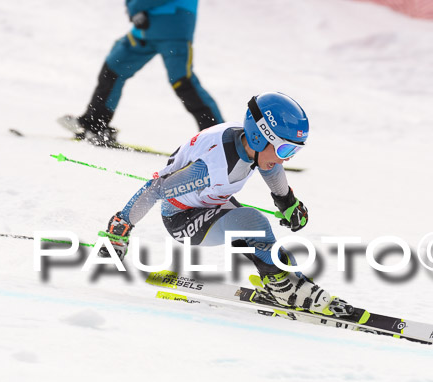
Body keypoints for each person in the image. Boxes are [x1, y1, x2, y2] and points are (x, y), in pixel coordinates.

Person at [96, 92, 360, 320]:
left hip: (210, 204)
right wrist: (120, 227)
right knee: (252, 222)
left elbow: (268, 165)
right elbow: (156, 189)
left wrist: (287, 201)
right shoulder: (213, 167)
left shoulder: (249, 145)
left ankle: (285, 280)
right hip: (182, 218)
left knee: (259, 233)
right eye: (284, 151)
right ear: (259, 137)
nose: (286, 159)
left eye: (293, 152)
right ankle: (282, 285)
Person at [59, 0, 223, 145]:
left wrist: (136, 6)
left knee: (182, 81)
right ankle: (95, 125)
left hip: (173, 27)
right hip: (145, 28)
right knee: (114, 68)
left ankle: (219, 139)